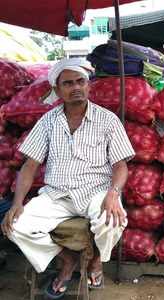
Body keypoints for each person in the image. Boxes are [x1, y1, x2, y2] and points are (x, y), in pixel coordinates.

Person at [0, 58, 135, 299]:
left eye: (81, 81)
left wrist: (113, 193)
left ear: (89, 85)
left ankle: (95, 261)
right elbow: (30, 165)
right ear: (57, 90)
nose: (75, 87)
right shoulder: (47, 122)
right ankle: (68, 258)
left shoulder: (107, 120)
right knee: (14, 226)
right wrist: (18, 203)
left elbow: (120, 165)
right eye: (68, 83)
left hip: (96, 192)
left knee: (114, 220)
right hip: (57, 195)